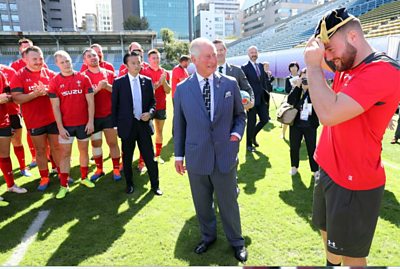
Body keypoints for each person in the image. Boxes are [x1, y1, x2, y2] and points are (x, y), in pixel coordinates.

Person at [304, 8, 400, 266]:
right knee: (328, 239)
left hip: (354, 180)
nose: (328, 57)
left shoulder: (384, 70)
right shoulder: (347, 62)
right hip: (329, 169)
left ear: (354, 37)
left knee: (353, 258)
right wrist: (319, 51)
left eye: (331, 48)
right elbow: (327, 60)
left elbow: (328, 113)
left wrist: (313, 67)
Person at [174, 38, 247, 262]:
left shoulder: (229, 83)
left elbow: (240, 115)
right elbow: (179, 124)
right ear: (194, 59)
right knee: (202, 203)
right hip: (197, 157)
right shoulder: (182, 89)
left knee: (228, 203)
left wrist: (236, 134)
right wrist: (178, 155)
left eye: (215, 55)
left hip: (224, 155)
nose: (214, 60)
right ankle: (208, 237)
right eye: (208, 56)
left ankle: (237, 242)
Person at [111, 51, 162, 196]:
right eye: (133, 63)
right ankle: (129, 184)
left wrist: (150, 114)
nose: (137, 65)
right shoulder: (119, 82)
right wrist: (115, 126)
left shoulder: (147, 81)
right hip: (127, 126)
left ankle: (155, 185)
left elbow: (153, 102)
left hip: (143, 125)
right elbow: (114, 106)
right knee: (127, 158)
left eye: (139, 62)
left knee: (149, 157)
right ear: (126, 65)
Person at [10, 46, 60, 192]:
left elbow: (59, 90)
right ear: (25, 59)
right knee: (40, 150)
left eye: (41, 58)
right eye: (35, 59)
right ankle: (44, 177)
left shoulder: (49, 73)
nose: (39, 62)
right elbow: (16, 98)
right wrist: (35, 94)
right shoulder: (19, 75)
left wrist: (48, 91)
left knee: (57, 147)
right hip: (34, 121)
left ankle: (59, 170)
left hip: (53, 119)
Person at [49, 50, 95, 199]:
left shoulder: (83, 78)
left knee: (84, 151)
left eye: (67, 61)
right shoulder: (55, 81)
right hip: (66, 126)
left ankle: (84, 178)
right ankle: (64, 185)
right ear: (57, 64)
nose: (66, 64)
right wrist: (60, 127)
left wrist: (90, 121)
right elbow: (55, 106)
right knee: (65, 155)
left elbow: (90, 102)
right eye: (62, 62)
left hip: (83, 124)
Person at [81, 48, 121, 182]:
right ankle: (99, 169)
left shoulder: (109, 73)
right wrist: (98, 89)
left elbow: (118, 92)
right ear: (84, 60)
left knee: (113, 143)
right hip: (93, 117)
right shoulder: (82, 76)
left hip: (110, 115)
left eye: (94, 55)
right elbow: (82, 98)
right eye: (89, 56)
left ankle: (116, 169)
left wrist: (107, 86)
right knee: (96, 144)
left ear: (98, 57)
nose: (93, 57)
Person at [0, 70, 27, 207]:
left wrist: (8, 97)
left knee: (4, 155)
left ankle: (11, 185)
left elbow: (8, 94)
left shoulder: (1, 74)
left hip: (3, 120)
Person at [140, 49, 171, 166]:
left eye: (157, 57)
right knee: (145, 134)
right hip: (147, 107)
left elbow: (168, 91)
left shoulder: (165, 72)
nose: (156, 60)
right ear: (149, 60)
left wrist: (164, 82)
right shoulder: (144, 72)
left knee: (159, 131)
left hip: (161, 106)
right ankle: (142, 161)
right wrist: (159, 82)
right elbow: (149, 90)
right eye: (153, 58)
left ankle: (157, 155)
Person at [287, 68, 319, 177]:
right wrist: (297, 86)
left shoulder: (315, 89)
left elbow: (319, 104)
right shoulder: (297, 88)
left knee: (312, 148)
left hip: (310, 124)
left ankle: (315, 170)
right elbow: (290, 101)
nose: (305, 80)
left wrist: (309, 90)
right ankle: (294, 166)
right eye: (303, 77)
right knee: (294, 146)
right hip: (296, 123)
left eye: (307, 77)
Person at [0, 64, 31, 177]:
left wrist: (7, 96)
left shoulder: (8, 71)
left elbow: (14, 92)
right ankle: (8, 176)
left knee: (17, 142)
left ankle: (23, 168)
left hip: (12, 113)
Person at [213, 39, 254, 111]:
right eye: (216, 50)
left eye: (221, 50)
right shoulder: (207, 72)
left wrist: (251, 102)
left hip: (234, 115)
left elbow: (247, 89)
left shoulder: (237, 70)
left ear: (225, 50)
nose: (219, 53)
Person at [241, 46, 269, 152]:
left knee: (265, 120)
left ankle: (253, 136)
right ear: (248, 54)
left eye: (255, 52)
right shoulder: (244, 67)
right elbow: (243, 85)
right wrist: (245, 102)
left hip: (261, 99)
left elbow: (263, 82)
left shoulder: (261, 66)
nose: (254, 54)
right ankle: (248, 145)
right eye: (252, 52)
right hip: (251, 100)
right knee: (251, 122)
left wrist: (267, 96)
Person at [282, 61, 300, 140]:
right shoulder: (288, 78)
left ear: (297, 68)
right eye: (291, 67)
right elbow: (286, 90)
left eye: (295, 66)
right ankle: (283, 134)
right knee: (288, 117)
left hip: (299, 99)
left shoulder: (300, 77)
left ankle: (300, 135)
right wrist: (294, 86)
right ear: (289, 68)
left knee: (299, 117)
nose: (293, 68)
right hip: (291, 100)